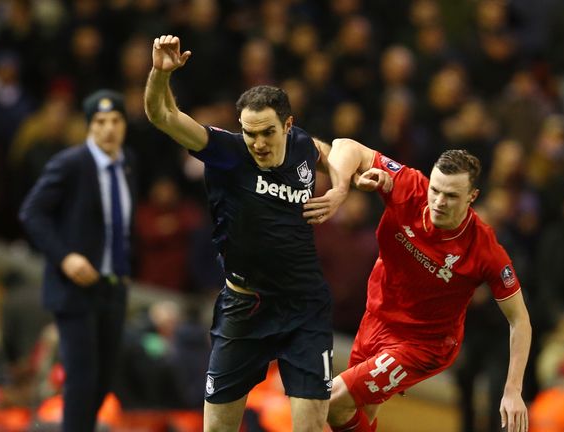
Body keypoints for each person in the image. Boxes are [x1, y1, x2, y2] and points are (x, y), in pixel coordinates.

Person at [144, 35, 348, 432]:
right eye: (249, 132)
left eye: (267, 133)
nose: (257, 143)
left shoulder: (302, 146)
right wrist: (159, 74)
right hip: (244, 307)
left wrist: (339, 188)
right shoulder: (227, 152)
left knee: (309, 427)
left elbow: (336, 151)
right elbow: (161, 116)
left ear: (288, 126)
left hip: (304, 307)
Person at [324, 140, 532, 432]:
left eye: (450, 195)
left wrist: (513, 389)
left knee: (329, 398)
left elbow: (520, 319)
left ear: (472, 196)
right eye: (435, 190)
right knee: (356, 412)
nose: (438, 202)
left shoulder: (485, 250)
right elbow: (345, 146)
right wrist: (341, 187)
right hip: (378, 315)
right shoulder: (408, 186)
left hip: (423, 344)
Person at [19, 89, 135, 432]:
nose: (109, 129)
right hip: (74, 288)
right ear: (87, 126)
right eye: (100, 122)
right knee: (81, 380)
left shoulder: (128, 163)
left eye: (116, 121)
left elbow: (123, 225)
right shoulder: (70, 163)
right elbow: (32, 213)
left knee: (103, 382)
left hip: (113, 286)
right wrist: (64, 257)